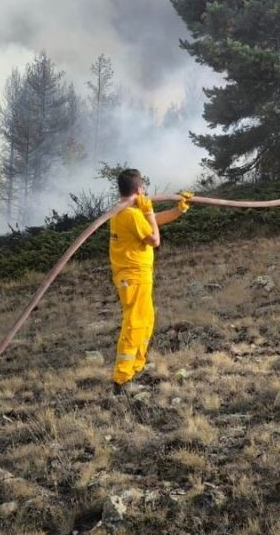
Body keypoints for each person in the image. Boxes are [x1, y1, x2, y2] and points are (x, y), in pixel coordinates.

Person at [108, 168, 192, 394]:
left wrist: (178, 210)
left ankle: (135, 370)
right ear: (139, 189)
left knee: (146, 321)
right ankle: (122, 379)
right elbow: (154, 239)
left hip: (137, 276)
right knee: (135, 324)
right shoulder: (130, 214)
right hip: (132, 276)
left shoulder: (127, 212)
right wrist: (149, 210)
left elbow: (151, 223)